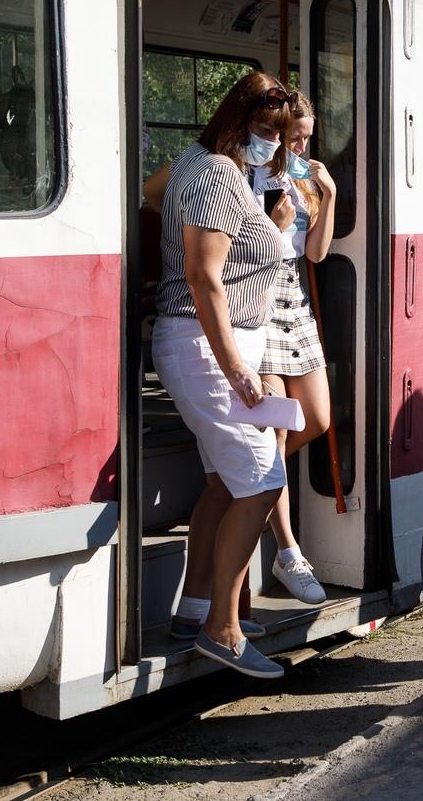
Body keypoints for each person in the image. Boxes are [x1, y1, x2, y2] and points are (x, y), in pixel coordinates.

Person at [151, 72, 294, 678]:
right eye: (265, 132)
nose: (273, 145)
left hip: (211, 342)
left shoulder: (192, 163)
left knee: (223, 484)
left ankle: (196, 607)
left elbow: (151, 193)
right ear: (237, 122)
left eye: (279, 136)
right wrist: (237, 367)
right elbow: (205, 275)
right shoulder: (215, 174)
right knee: (262, 479)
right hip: (208, 347)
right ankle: (222, 631)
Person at [250, 91, 337, 605]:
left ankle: (256, 487)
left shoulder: (305, 180)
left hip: (295, 302)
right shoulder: (252, 173)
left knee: (318, 420)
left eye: (307, 137)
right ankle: (288, 552)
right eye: (295, 136)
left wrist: (328, 197)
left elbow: (318, 253)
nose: (302, 145)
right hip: (259, 297)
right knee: (279, 430)